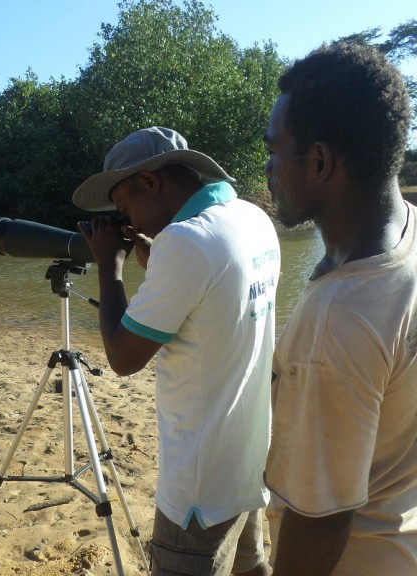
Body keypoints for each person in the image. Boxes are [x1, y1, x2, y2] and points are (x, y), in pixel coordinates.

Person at [72, 126, 280, 575]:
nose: (132, 224)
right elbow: (213, 302)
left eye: (127, 208)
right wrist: (160, 259)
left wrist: (110, 267)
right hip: (247, 461)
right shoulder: (250, 217)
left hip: (198, 493)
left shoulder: (185, 242)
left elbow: (124, 358)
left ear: (149, 181)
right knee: (251, 567)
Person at [263, 43, 417, 575]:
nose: (268, 167)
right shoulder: (409, 234)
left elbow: (319, 517)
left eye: (275, 149)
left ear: (321, 161)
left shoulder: (337, 319)